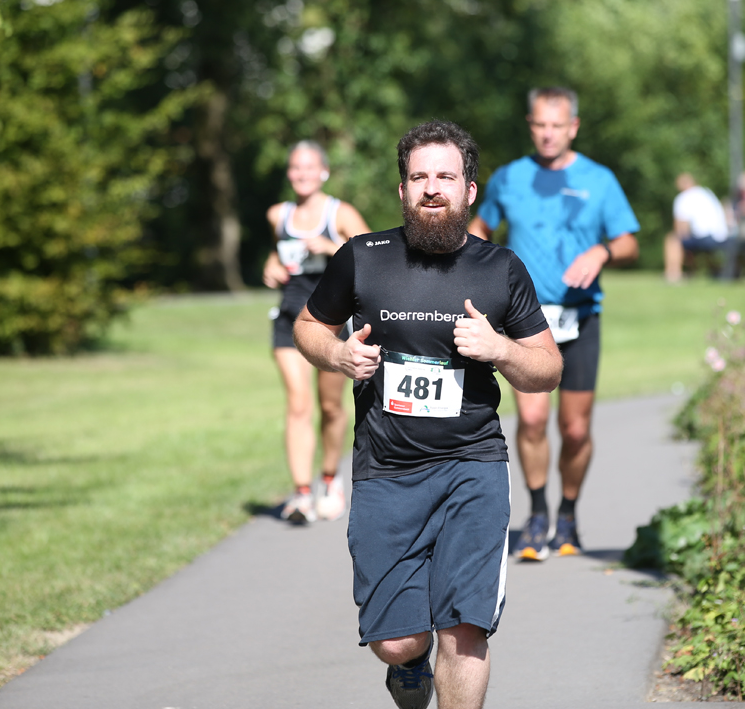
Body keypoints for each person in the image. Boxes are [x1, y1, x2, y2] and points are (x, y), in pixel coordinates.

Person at [294, 120, 562, 709]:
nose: (432, 188)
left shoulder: (501, 269)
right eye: (419, 177)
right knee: (397, 641)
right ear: (402, 191)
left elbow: (547, 368)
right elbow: (307, 326)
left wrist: (502, 350)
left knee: (464, 629)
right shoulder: (364, 258)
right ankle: (410, 667)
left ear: (470, 190)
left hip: (473, 465)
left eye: (446, 176)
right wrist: (338, 353)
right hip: (387, 471)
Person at [469, 86, 640, 562]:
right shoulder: (509, 178)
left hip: (580, 318)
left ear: (573, 127)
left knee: (576, 429)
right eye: (539, 125)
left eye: (556, 125)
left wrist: (602, 250)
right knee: (530, 420)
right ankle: (538, 514)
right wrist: (476, 265)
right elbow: (482, 228)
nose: (547, 134)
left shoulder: (599, 180)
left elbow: (629, 242)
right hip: (524, 319)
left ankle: (568, 513)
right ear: (531, 125)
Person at [261, 141, 369, 523]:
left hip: (331, 320)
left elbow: (372, 257)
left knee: (330, 406)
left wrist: (332, 246)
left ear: (323, 171)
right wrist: (270, 267)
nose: (302, 174)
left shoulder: (339, 212)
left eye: (309, 167)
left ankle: (330, 479)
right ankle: (301, 493)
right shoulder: (279, 214)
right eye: (295, 168)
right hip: (290, 316)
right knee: (298, 403)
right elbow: (278, 255)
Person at [663, 172, 729, 282]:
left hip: (704, 237)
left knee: (672, 239)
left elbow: (680, 228)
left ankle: (673, 273)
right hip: (722, 236)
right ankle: (715, 270)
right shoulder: (707, 193)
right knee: (694, 242)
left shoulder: (684, 197)